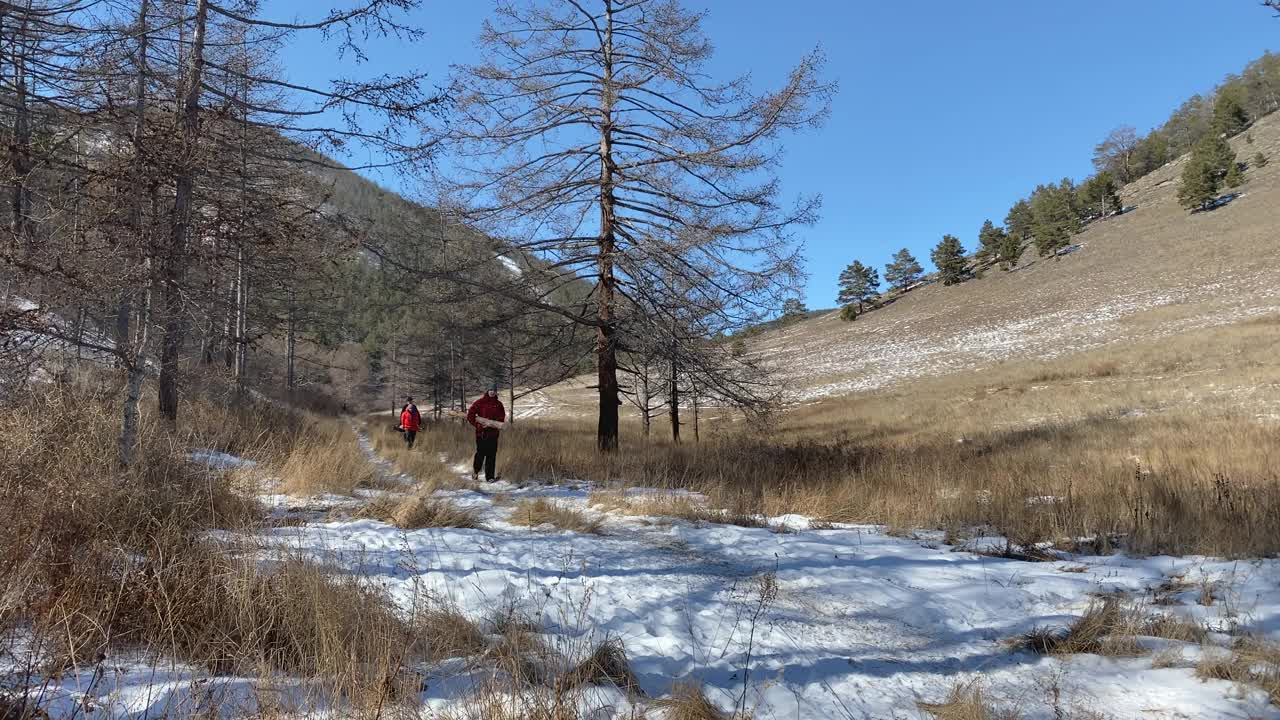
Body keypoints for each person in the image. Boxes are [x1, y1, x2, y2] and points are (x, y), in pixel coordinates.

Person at [466, 383, 506, 481]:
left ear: (496, 392)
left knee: (491, 456)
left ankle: (490, 477)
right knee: (480, 454)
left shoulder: (499, 404)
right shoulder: (480, 402)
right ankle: (475, 472)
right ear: (487, 391)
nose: (492, 392)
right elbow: (470, 415)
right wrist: (478, 425)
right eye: (490, 390)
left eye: (494, 390)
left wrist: (492, 423)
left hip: (493, 434)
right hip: (481, 434)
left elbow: (501, 417)